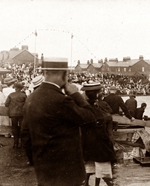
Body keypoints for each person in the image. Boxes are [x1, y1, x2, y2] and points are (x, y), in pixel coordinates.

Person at [21, 57, 98, 186]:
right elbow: (91, 119)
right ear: (65, 74)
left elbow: (25, 134)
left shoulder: (31, 98)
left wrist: (35, 161)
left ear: (45, 73)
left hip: (43, 171)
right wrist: (75, 94)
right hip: (67, 173)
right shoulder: (61, 100)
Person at [81, 82, 116, 186]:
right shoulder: (97, 111)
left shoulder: (84, 109)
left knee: (90, 167)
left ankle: (87, 184)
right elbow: (102, 132)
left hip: (87, 145)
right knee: (104, 172)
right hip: (99, 147)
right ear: (96, 95)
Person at [5, 82, 27, 148]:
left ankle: (15, 143)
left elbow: (6, 104)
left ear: (15, 88)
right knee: (21, 128)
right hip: (21, 114)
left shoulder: (11, 95)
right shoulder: (24, 95)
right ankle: (22, 143)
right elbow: (27, 104)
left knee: (14, 127)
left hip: (13, 114)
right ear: (21, 88)